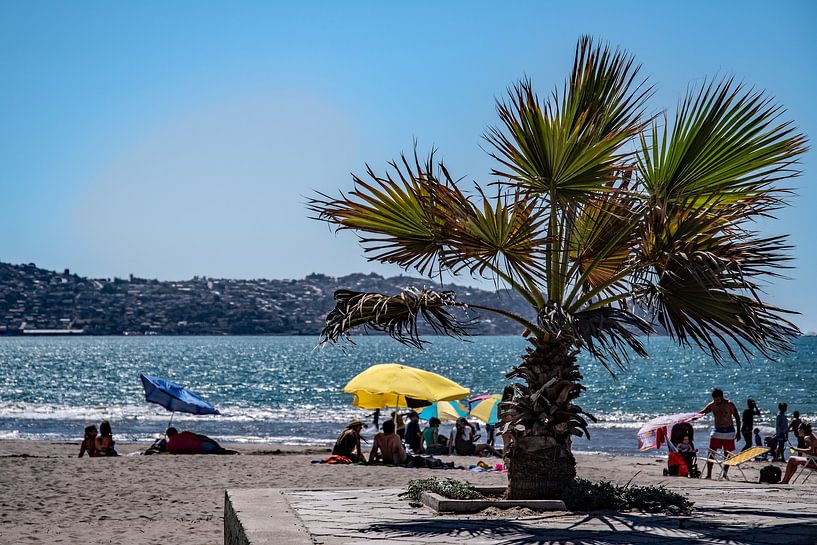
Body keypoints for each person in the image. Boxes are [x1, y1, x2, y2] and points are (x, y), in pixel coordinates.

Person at [700, 388, 740, 479]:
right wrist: (690, 417)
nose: (716, 400)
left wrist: (738, 432)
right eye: (715, 398)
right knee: (711, 453)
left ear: (722, 397)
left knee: (727, 454)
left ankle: (724, 474)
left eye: (718, 398)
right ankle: (709, 475)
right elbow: (702, 413)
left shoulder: (729, 404)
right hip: (717, 431)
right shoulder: (712, 405)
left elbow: (737, 417)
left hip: (729, 431)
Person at [166, 427, 238, 455]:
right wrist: (214, 442)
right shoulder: (185, 434)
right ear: (176, 432)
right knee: (217, 450)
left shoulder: (169, 446)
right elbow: (200, 437)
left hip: (199, 451)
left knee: (216, 451)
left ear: (168, 436)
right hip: (202, 446)